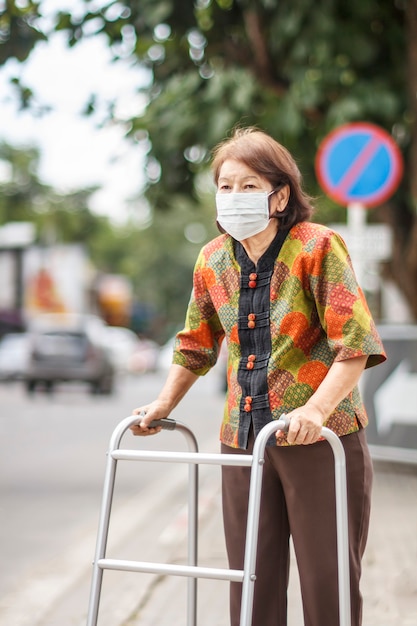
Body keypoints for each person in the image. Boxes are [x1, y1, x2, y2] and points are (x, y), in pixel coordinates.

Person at [130, 127, 386, 626]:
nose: (234, 196)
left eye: (250, 186)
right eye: (225, 185)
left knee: (326, 584)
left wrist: (315, 409)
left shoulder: (317, 247)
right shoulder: (213, 259)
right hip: (242, 439)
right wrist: (164, 404)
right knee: (250, 584)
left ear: (280, 194)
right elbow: (195, 343)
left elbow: (355, 344)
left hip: (319, 438)